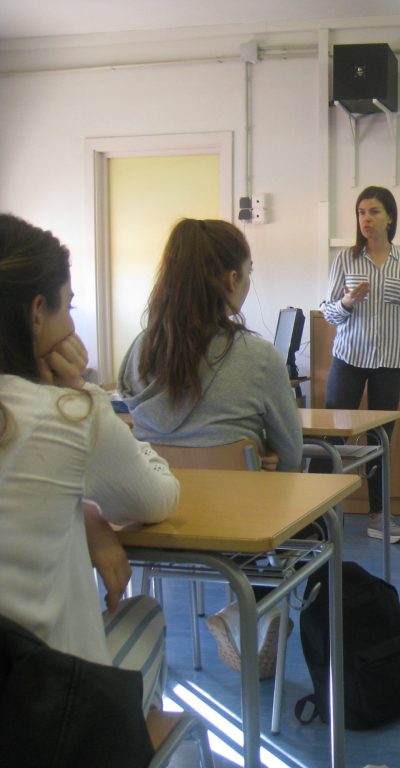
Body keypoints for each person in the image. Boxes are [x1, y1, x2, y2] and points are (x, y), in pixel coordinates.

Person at [0, 212, 179, 716]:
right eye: (70, 305)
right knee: (145, 615)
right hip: (45, 716)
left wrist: (82, 513)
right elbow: (156, 499)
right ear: (37, 312)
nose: (73, 325)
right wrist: (84, 393)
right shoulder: (65, 413)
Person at [118, 217, 303, 676]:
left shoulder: (139, 351)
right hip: (243, 534)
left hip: (156, 524)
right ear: (231, 278)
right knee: (317, 518)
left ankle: (243, 614)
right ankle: (255, 610)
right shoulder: (259, 357)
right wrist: (260, 459)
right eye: (249, 272)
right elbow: (292, 455)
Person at [320, 186, 400, 543]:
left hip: (390, 363)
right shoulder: (345, 259)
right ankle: (318, 516)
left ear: (389, 217)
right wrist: (347, 301)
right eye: (361, 212)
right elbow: (328, 312)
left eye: (374, 212)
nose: (366, 219)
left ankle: (379, 516)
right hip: (348, 358)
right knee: (331, 435)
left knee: (380, 439)